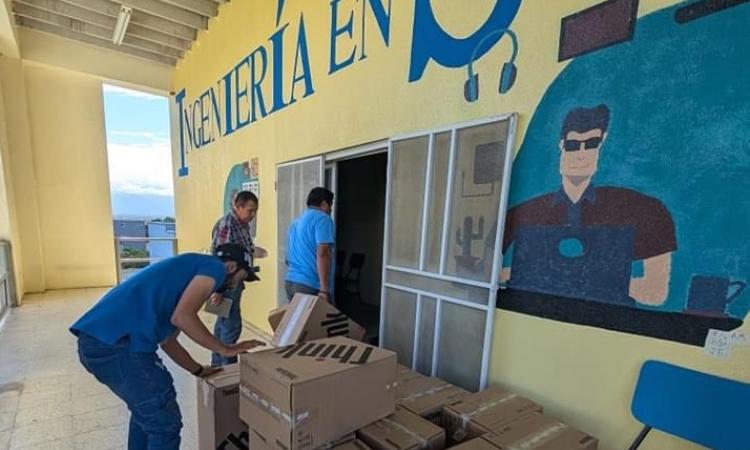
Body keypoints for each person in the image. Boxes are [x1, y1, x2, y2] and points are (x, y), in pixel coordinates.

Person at [70, 243, 265, 450]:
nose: (234, 287)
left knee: (147, 416)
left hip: (99, 342)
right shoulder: (214, 267)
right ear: (231, 268)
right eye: (240, 279)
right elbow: (183, 317)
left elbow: (168, 341)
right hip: (118, 346)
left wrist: (197, 369)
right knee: (164, 425)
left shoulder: (183, 274)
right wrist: (225, 349)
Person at [501, 104, 676, 305]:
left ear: (601, 144)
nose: (581, 154)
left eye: (591, 143)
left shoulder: (642, 209)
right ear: (562, 146)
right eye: (573, 144)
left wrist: (563, 277)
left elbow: (656, 293)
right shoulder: (525, 213)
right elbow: (484, 271)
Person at [209, 191, 267, 367]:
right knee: (230, 327)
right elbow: (221, 260)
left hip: (235, 281)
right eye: (250, 210)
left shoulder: (242, 224)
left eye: (255, 211)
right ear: (238, 206)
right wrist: (219, 289)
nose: (253, 215)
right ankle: (228, 369)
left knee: (222, 325)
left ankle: (218, 366)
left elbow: (241, 249)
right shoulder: (227, 225)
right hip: (227, 284)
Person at [285, 187, 336, 304]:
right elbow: (322, 253)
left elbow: (288, 259)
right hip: (309, 285)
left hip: (290, 281)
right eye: (330, 205)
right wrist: (324, 289)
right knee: (315, 321)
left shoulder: (295, 222)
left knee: (297, 321)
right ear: (323, 204)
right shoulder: (323, 219)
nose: (330, 210)